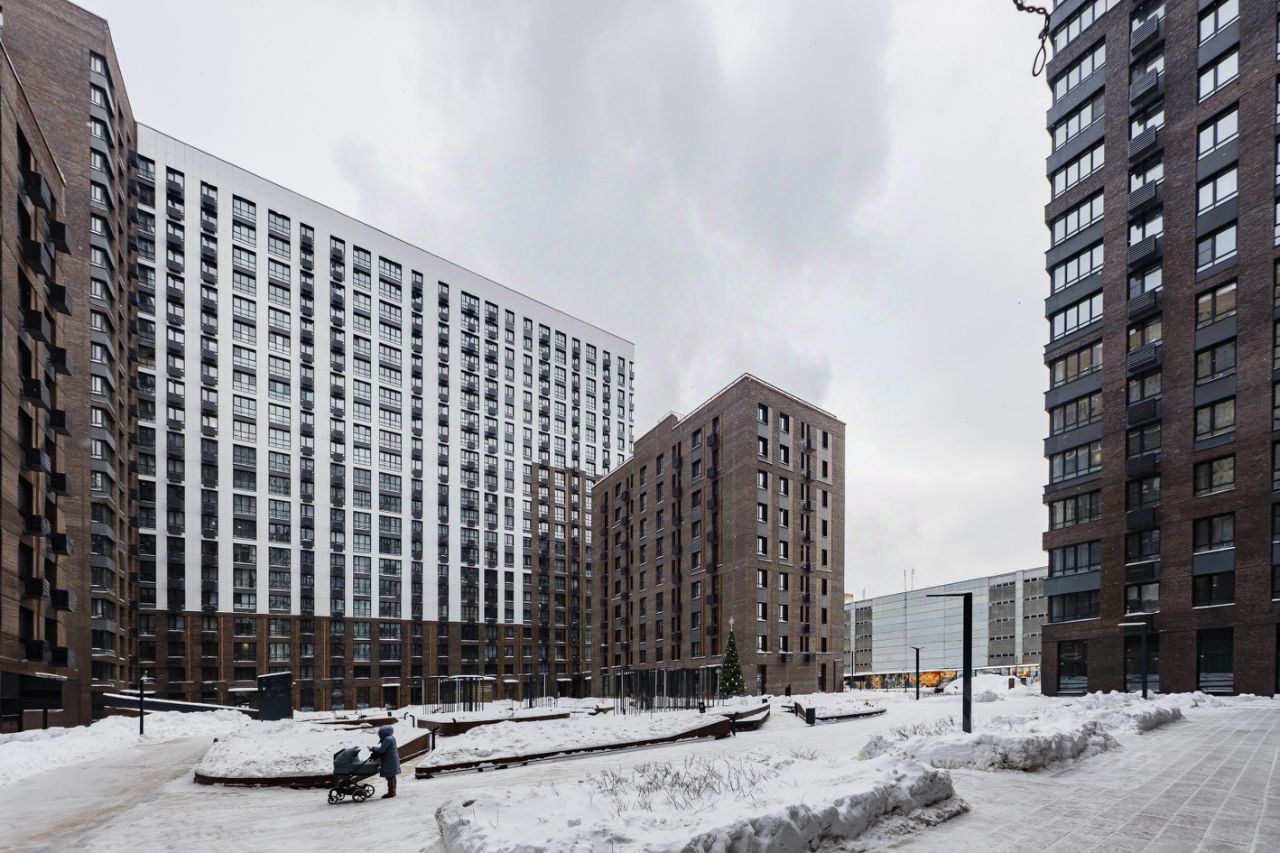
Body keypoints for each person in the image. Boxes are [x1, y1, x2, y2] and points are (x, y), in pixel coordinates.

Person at [370, 724, 400, 799]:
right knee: (392, 776)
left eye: (380, 733)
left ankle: (391, 792)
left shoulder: (387, 739)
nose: (379, 735)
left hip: (389, 760)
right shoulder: (391, 738)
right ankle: (393, 791)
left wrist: (372, 748)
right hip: (392, 759)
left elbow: (381, 750)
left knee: (390, 777)